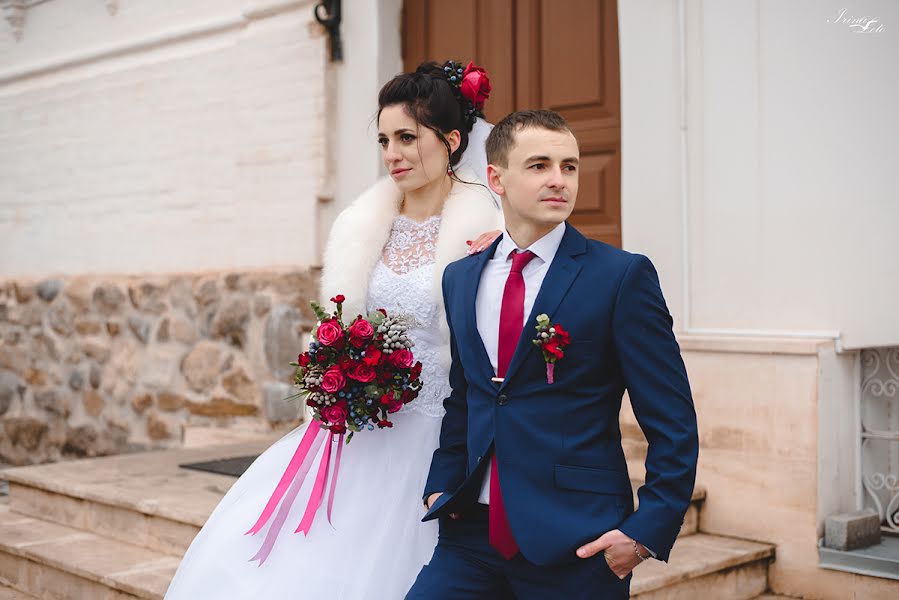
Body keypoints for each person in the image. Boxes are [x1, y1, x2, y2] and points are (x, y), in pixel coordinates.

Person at [164, 61, 503, 600]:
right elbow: (343, 321)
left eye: (408, 138)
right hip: (358, 431)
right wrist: (340, 374)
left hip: (436, 431)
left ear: (452, 139)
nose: (392, 153)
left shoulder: (487, 230)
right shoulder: (361, 226)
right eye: (385, 139)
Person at [406, 109, 699, 600]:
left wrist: (645, 531)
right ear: (497, 178)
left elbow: (672, 419)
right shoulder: (462, 277)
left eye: (570, 166)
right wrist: (442, 484)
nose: (559, 180)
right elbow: (466, 396)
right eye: (539, 165)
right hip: (471, 534)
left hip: (578, 541)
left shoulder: (621, 278)